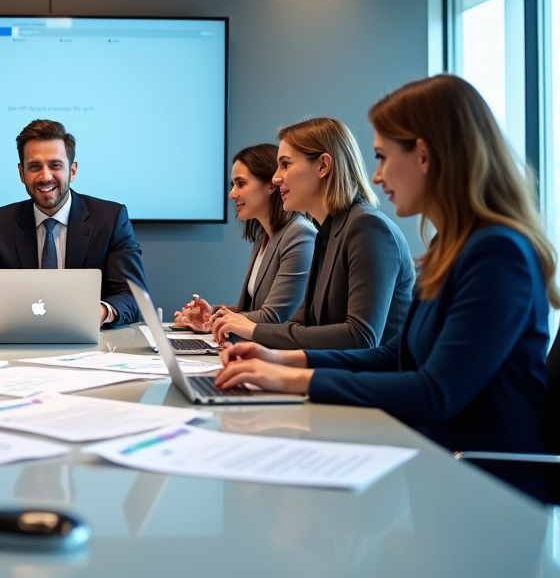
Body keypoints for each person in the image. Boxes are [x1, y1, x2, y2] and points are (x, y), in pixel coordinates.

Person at [214, 75, 558, 498]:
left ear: (425, 156)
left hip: (489, 489)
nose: (375, 176)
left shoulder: (497, 253)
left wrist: (292, 380)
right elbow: (396, 355)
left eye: (382, 157)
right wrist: (284, 361)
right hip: (442, 471)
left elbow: (435, 391)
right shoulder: (450, 248)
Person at [212, 118, 414, 350]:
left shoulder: (368, 227)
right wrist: (262, 352)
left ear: (323, 166)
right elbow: (301, 322)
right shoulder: (324, 230)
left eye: (285, 165)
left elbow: (361, 337)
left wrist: (254, 331)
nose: (276, 178)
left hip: (375, 383)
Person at [0, 119, 148, 327]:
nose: (45, 176)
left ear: (73, 171)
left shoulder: (111, 219)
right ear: (21, 173)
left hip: (93, 348)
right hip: (15, 342)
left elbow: (134, 297)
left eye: (55, 165)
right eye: (34, 167)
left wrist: (97, 312)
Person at [174, 143, 316, 333]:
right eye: (233, 185)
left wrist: (214, 320)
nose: (232, 194)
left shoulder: (300, 234)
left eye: (241, 184)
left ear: (271, 186)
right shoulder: (263, 239)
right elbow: (249, 311)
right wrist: (209, 313)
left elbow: (273, 317)